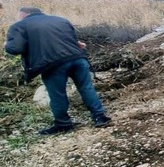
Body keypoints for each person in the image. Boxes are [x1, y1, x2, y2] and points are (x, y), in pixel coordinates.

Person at [4, 7, 111, 135]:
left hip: (53, 64)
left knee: (57, 94)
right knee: (86, 88)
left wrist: (6, 44)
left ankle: (63, 124)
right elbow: (74, 41)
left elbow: (15, 49)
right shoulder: (61, 20)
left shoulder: (19, 26)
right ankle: (100, 117)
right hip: (78, 58)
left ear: (23, 15)